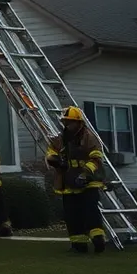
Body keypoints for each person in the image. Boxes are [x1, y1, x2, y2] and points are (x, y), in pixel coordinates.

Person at [46, 106, 108, 254]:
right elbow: (51, 152)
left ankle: (98, 240)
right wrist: (54, 160)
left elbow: (96, 158)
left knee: (90, 212)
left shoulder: (89, 137)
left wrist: (85, 174)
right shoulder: (61, 138)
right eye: (66, 122)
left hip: (88, 181)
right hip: (68, 180)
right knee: (72, 215)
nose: (68, 125)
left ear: (79, 123)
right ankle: (78, 246)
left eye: (71, 122)